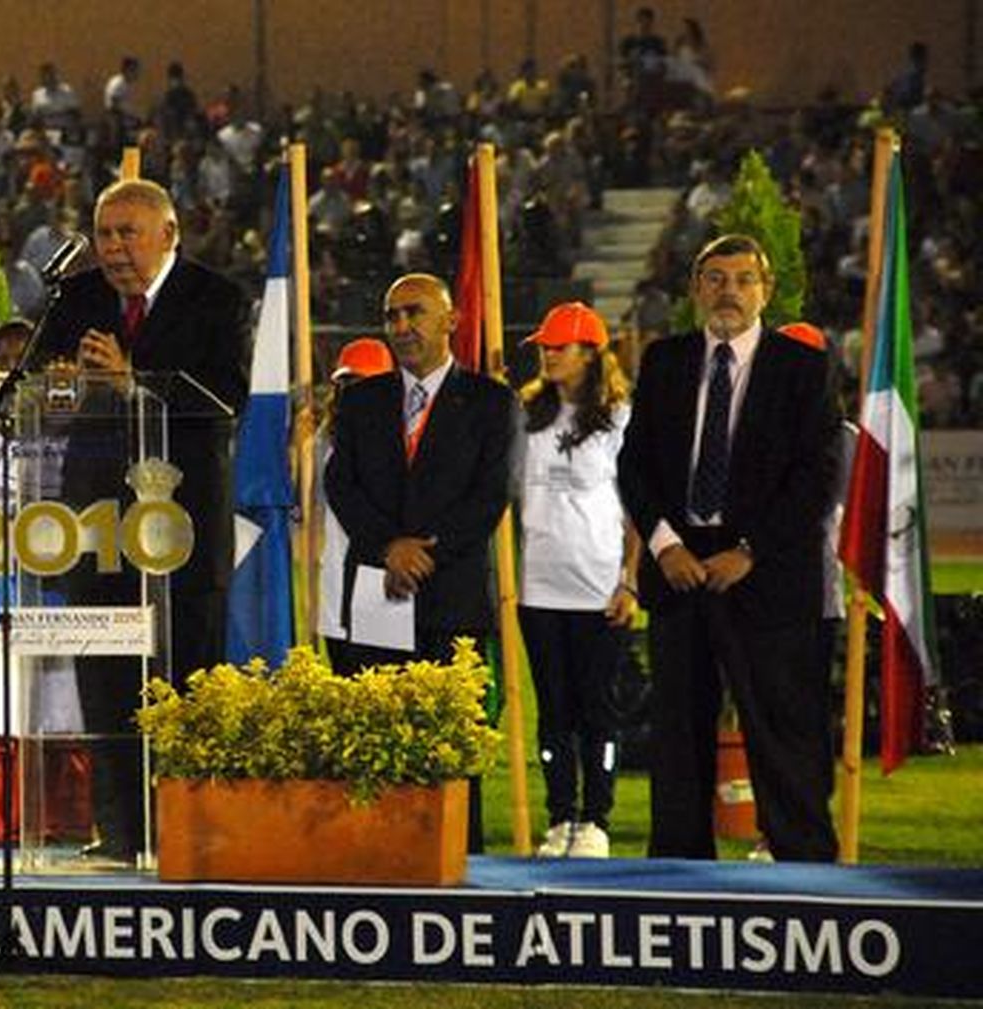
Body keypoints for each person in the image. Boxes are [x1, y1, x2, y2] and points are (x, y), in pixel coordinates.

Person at [32, 178, 250, 861]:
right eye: (105, 235)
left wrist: (132, 383)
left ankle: (191, 830)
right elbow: (44, 382)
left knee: (185, 679)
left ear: (170, 233)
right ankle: (119, 832)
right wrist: (64, 386)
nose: (115, 249)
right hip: (96, 521)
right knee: (107, 681)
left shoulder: (217, 300)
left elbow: (223, 402)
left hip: (179, 527)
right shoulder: (79, 298)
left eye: (129, 233)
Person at [617, 234, 839, 862]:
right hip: (679, 572)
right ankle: (679, 873)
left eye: (744, 279)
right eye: (716, 278)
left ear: (765, 291)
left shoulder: (801, 369)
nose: (730, 291)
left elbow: (816, 477)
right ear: (695, 290)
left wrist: (748, 551)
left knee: (780, 733)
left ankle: (804, 872)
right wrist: (663, 546)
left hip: (764, 578)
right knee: (679, 739)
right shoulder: (665, 361)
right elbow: (635, 466)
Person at [323, 273, 515, 852]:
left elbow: (491, 494)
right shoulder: (361, 400)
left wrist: (425, 552)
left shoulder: (490, 401)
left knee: (450, 745)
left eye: (414, 313)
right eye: (391, 316)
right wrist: (389, 547)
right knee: (375, 738)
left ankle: (461, 855)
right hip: (377, 593)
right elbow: (341, 484)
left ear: (450, 320)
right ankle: (376, 854)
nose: (402, 327)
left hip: (451, 597)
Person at [514, 303, 640, 859]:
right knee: (553, 711)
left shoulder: (620, 420)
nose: (547, 354)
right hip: (539, 587)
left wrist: (630, 580)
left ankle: (597, 820)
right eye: (544, 346)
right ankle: (560, 816)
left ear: (590, 352)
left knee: (598, 709)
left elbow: (638, 507)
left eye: (559, 346)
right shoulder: (525, 415)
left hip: (597, 586)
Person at [317, 337, 394, 675]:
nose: (352, 392)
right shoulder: (326, 444)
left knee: (382, 695)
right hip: (335, 586)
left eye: (363, 383)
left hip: (379, 588)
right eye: (345, 383)